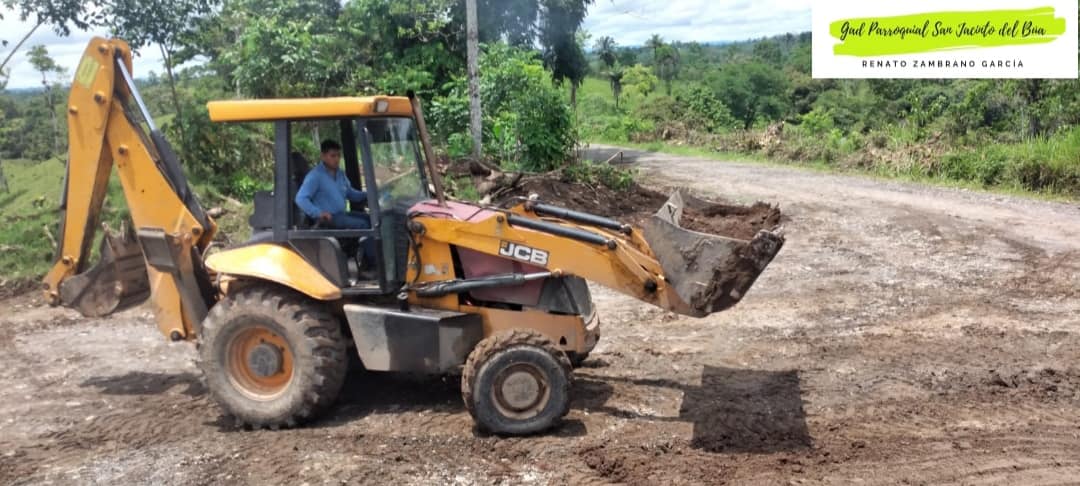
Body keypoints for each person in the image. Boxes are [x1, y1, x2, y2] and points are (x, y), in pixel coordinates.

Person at [295, 139, 375, 269]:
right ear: (323, 156)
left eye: (338, 155)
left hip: (341, 214)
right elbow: (301, 198)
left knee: (371, 219)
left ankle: (366, 259)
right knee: (363, 225)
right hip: (328, 218)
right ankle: (374, 264)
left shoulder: (340, 174)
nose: (337, 159)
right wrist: (318, 213)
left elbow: (350, 193)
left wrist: (368, 194)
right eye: (333, 156)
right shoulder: (315, 176)